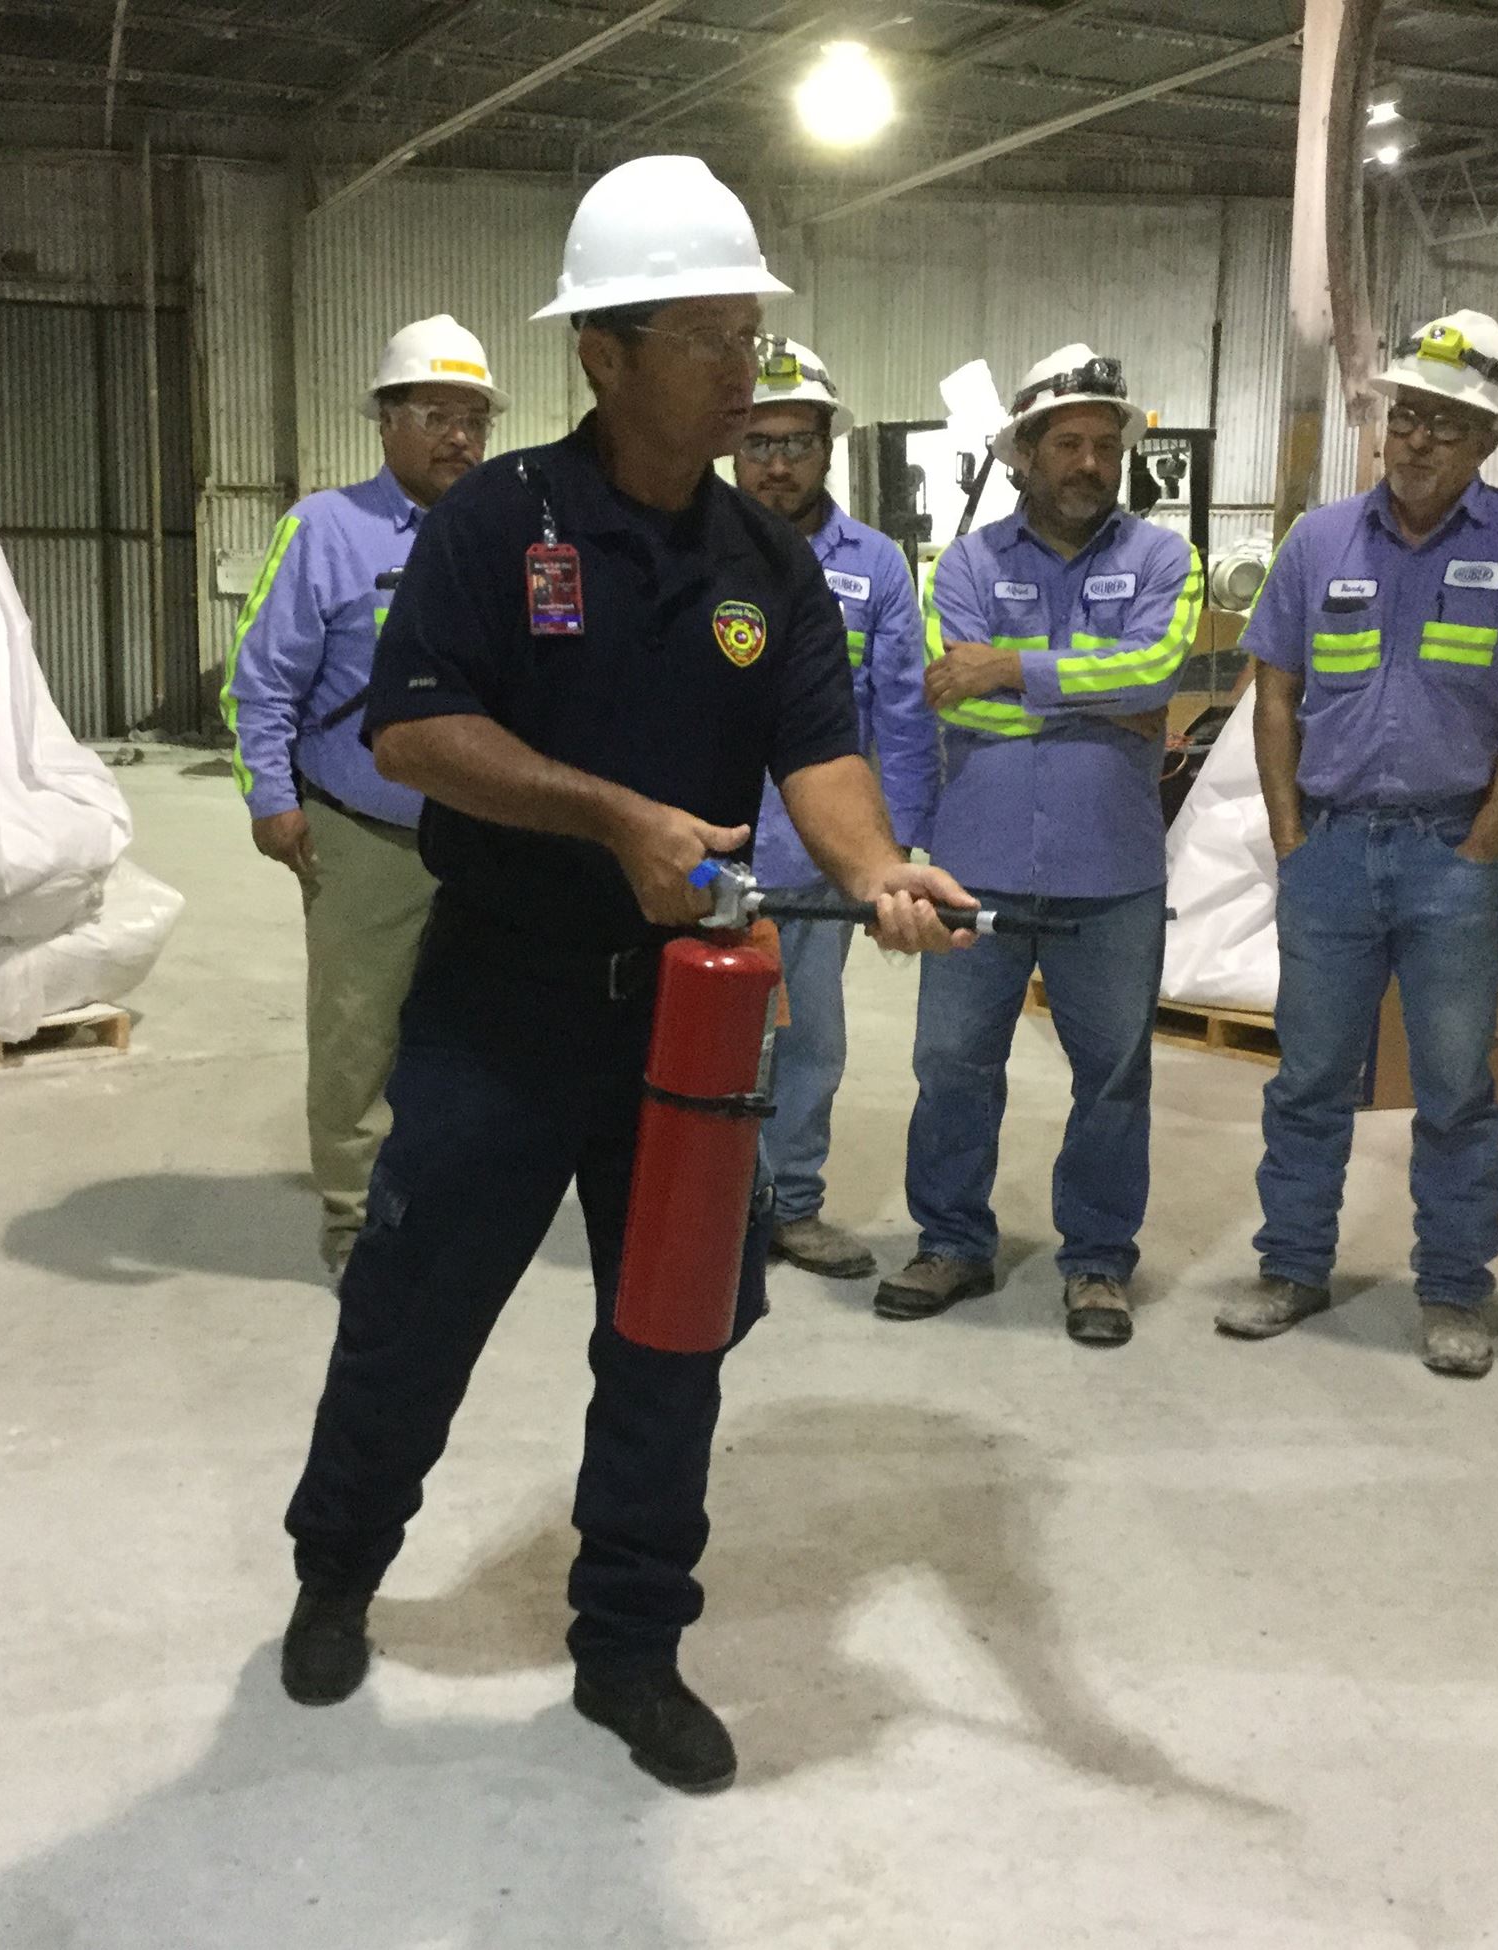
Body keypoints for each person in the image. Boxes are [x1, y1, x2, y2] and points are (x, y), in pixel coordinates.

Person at [277, 154, 975, 1794]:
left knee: (672, 1339)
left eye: (751, 337)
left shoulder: (770, 569)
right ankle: (337, 1575)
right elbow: (416, 731)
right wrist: (616, 823)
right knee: (412, 1312)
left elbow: (824, 754)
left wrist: (879, 871)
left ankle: (631, 1647)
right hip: (499, 1002)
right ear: (606, 351)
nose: (748, 372)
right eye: (712, 340)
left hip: (691, 1024)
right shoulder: (499, 523)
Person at [1221, 309, 1498, 1379]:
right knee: (1306, 1079)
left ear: (1487, 445)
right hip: (1330, 850)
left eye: (1448, 424)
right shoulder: (1317, 542)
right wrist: (1290, 832)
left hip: (1448, 858)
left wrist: (1483, 843)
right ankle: (1289, 1266)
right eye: (1409, 415)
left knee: (1454, 1090)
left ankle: (1452, 1290)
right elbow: (1276, 693)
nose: (1419, 439)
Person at [874, 344, 1199, 1350]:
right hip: (975, 864)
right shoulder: (960, 566)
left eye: (1105, 445)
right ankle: (950, 1240)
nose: (1089, 462)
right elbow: (948, 690)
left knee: (1110, 1073)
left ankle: (1097, 1263)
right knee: (950, 1062)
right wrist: (1096, 704)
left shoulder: (1163, 560)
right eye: (1067, 443)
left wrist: (1009, 670)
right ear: (1023, 453)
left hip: (1111, 870)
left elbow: (1154, 675)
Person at [222, 316, 506, 1278]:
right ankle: (356, 1221)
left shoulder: (510, 537)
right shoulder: (324, 530)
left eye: (474, 418)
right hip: (365, 833)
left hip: (490, 840)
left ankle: (446, 1202)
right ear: (387, 421)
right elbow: (261, 677)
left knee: (473, 1033)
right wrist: (272, 795)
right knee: (359, 1033)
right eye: (436, 414)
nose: (459, 437)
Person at [730, 339, 940, 1281]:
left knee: (809, 1039)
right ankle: (714, 1203)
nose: (778, 462)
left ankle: (791, 1204)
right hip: (708, 857)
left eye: (797, 442)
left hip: (819, 860)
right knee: (706, 1038)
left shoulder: (878, 567)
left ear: (828, 448)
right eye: (759, 440)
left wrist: (896, 849)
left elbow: (900, 714)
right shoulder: (694, 544)